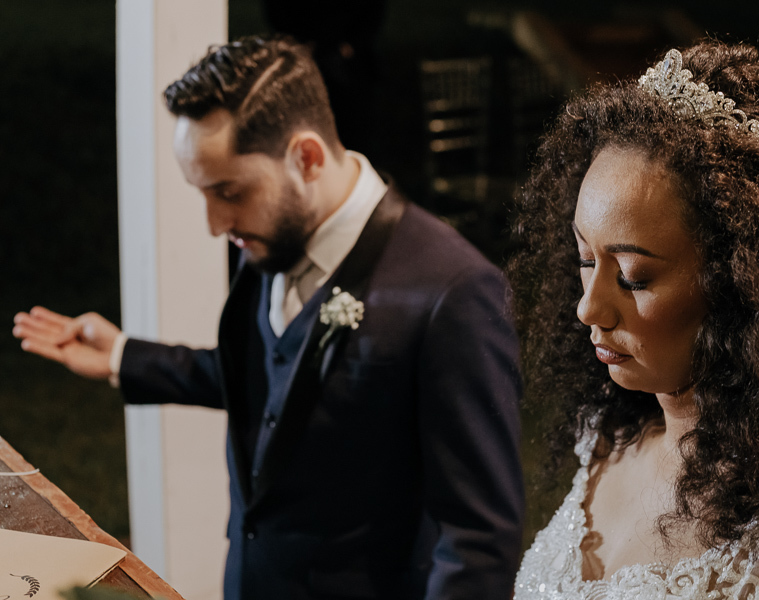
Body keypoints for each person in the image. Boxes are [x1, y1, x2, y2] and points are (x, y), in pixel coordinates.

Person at [12, 36, 524, 600]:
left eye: (228, 191)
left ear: (306, 157)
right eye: (204, 194)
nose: (215, 223)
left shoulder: (455, 293)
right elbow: (273, 381)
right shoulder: (270, 235)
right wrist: (122, 355)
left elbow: (477, 541)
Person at [510, 41, 759, 599]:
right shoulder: (611, 435)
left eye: (633, 277)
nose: (587, 308)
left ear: (746, 285)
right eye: (586, 259)